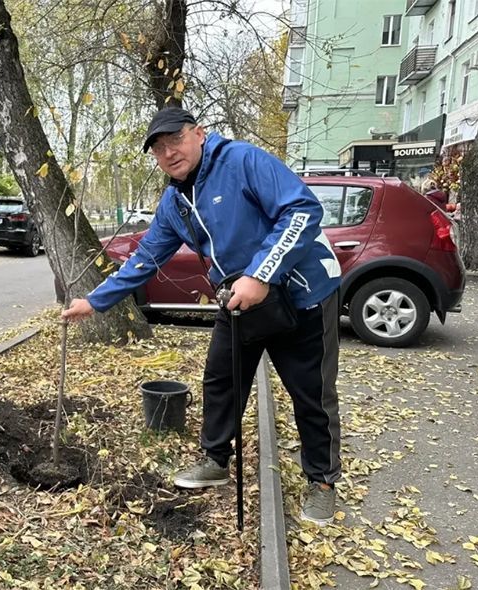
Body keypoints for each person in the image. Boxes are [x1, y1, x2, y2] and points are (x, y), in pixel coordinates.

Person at [62, 107, 343, 525]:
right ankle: (215, 460)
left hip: (304, 294)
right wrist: (95, 301)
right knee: (220, 380)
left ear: (199, 133)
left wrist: (260, 273)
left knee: (311, 393)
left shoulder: (242, 160)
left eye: (175, 140)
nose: (168, 153)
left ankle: (322, 482)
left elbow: (302, 211)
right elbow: (145, 257)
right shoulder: (175, 202)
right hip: (239, 301)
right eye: (158, 148)